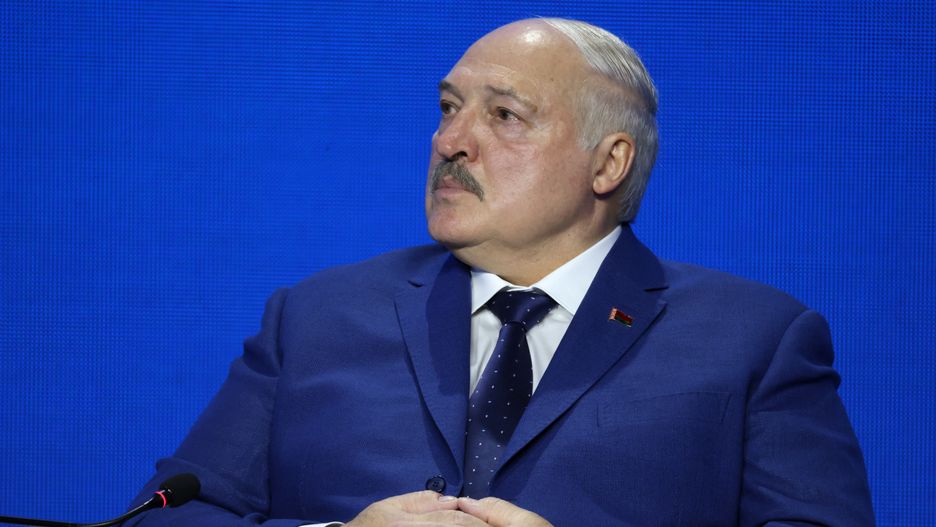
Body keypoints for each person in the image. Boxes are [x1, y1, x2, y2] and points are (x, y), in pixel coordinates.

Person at [125, 18, 874, 526]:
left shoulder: (754, 338)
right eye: (448, 108)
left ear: (608, 163)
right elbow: (169, 514)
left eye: (504, 116)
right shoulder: (316, 316)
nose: (450, 140)